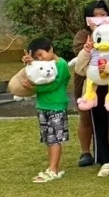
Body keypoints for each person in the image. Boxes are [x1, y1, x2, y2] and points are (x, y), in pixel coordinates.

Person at [18, 38, 71, 183]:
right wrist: (29, 63)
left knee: (54, 138)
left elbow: (53, 85)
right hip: (43, 105)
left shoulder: (60, 65)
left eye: (41, 55)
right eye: (37, 57)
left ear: (51, 49)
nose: (39, 59)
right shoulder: (43, 64)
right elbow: (34, 73)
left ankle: (53, 169)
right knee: (48, 138)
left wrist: (34, 88)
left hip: (56, 105)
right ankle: (52, 167)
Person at [72, 0, 109, 167]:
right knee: (86, 117)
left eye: (103, 14)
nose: (99, 18)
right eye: (94, 16)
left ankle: (107, 151)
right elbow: (80, 54)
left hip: (108, 79)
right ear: (88, 19)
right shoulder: (82, 34)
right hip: (86, 82)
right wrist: (94, 34)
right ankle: (85, 152)